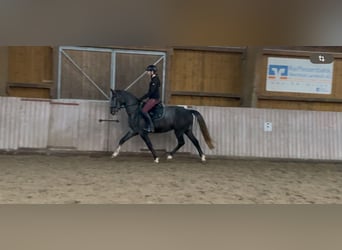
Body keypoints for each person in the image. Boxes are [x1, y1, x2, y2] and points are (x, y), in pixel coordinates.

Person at [139, 64, 161, 132]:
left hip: (154, 99)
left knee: (144, 111)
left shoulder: (155, 80)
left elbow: (151, 92)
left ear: (152, 71)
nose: (147, 72)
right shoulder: (154, 79)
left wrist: (141, 98)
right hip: (152, 98)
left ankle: (151, 126)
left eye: (148, 71)